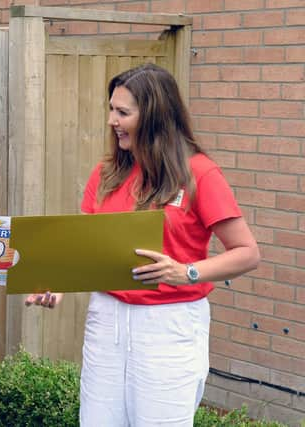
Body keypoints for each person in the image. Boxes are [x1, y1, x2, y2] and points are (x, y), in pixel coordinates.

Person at [26, 63, 260, 426]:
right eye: (111, 109)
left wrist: (186, 271)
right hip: (106, 318)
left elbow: (247, 252)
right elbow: (84, 248)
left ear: (153, 117)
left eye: (123, 112)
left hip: (169, 324)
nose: (111, 121)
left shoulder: (199, 174)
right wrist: (58, 283)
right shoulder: (106, 174)